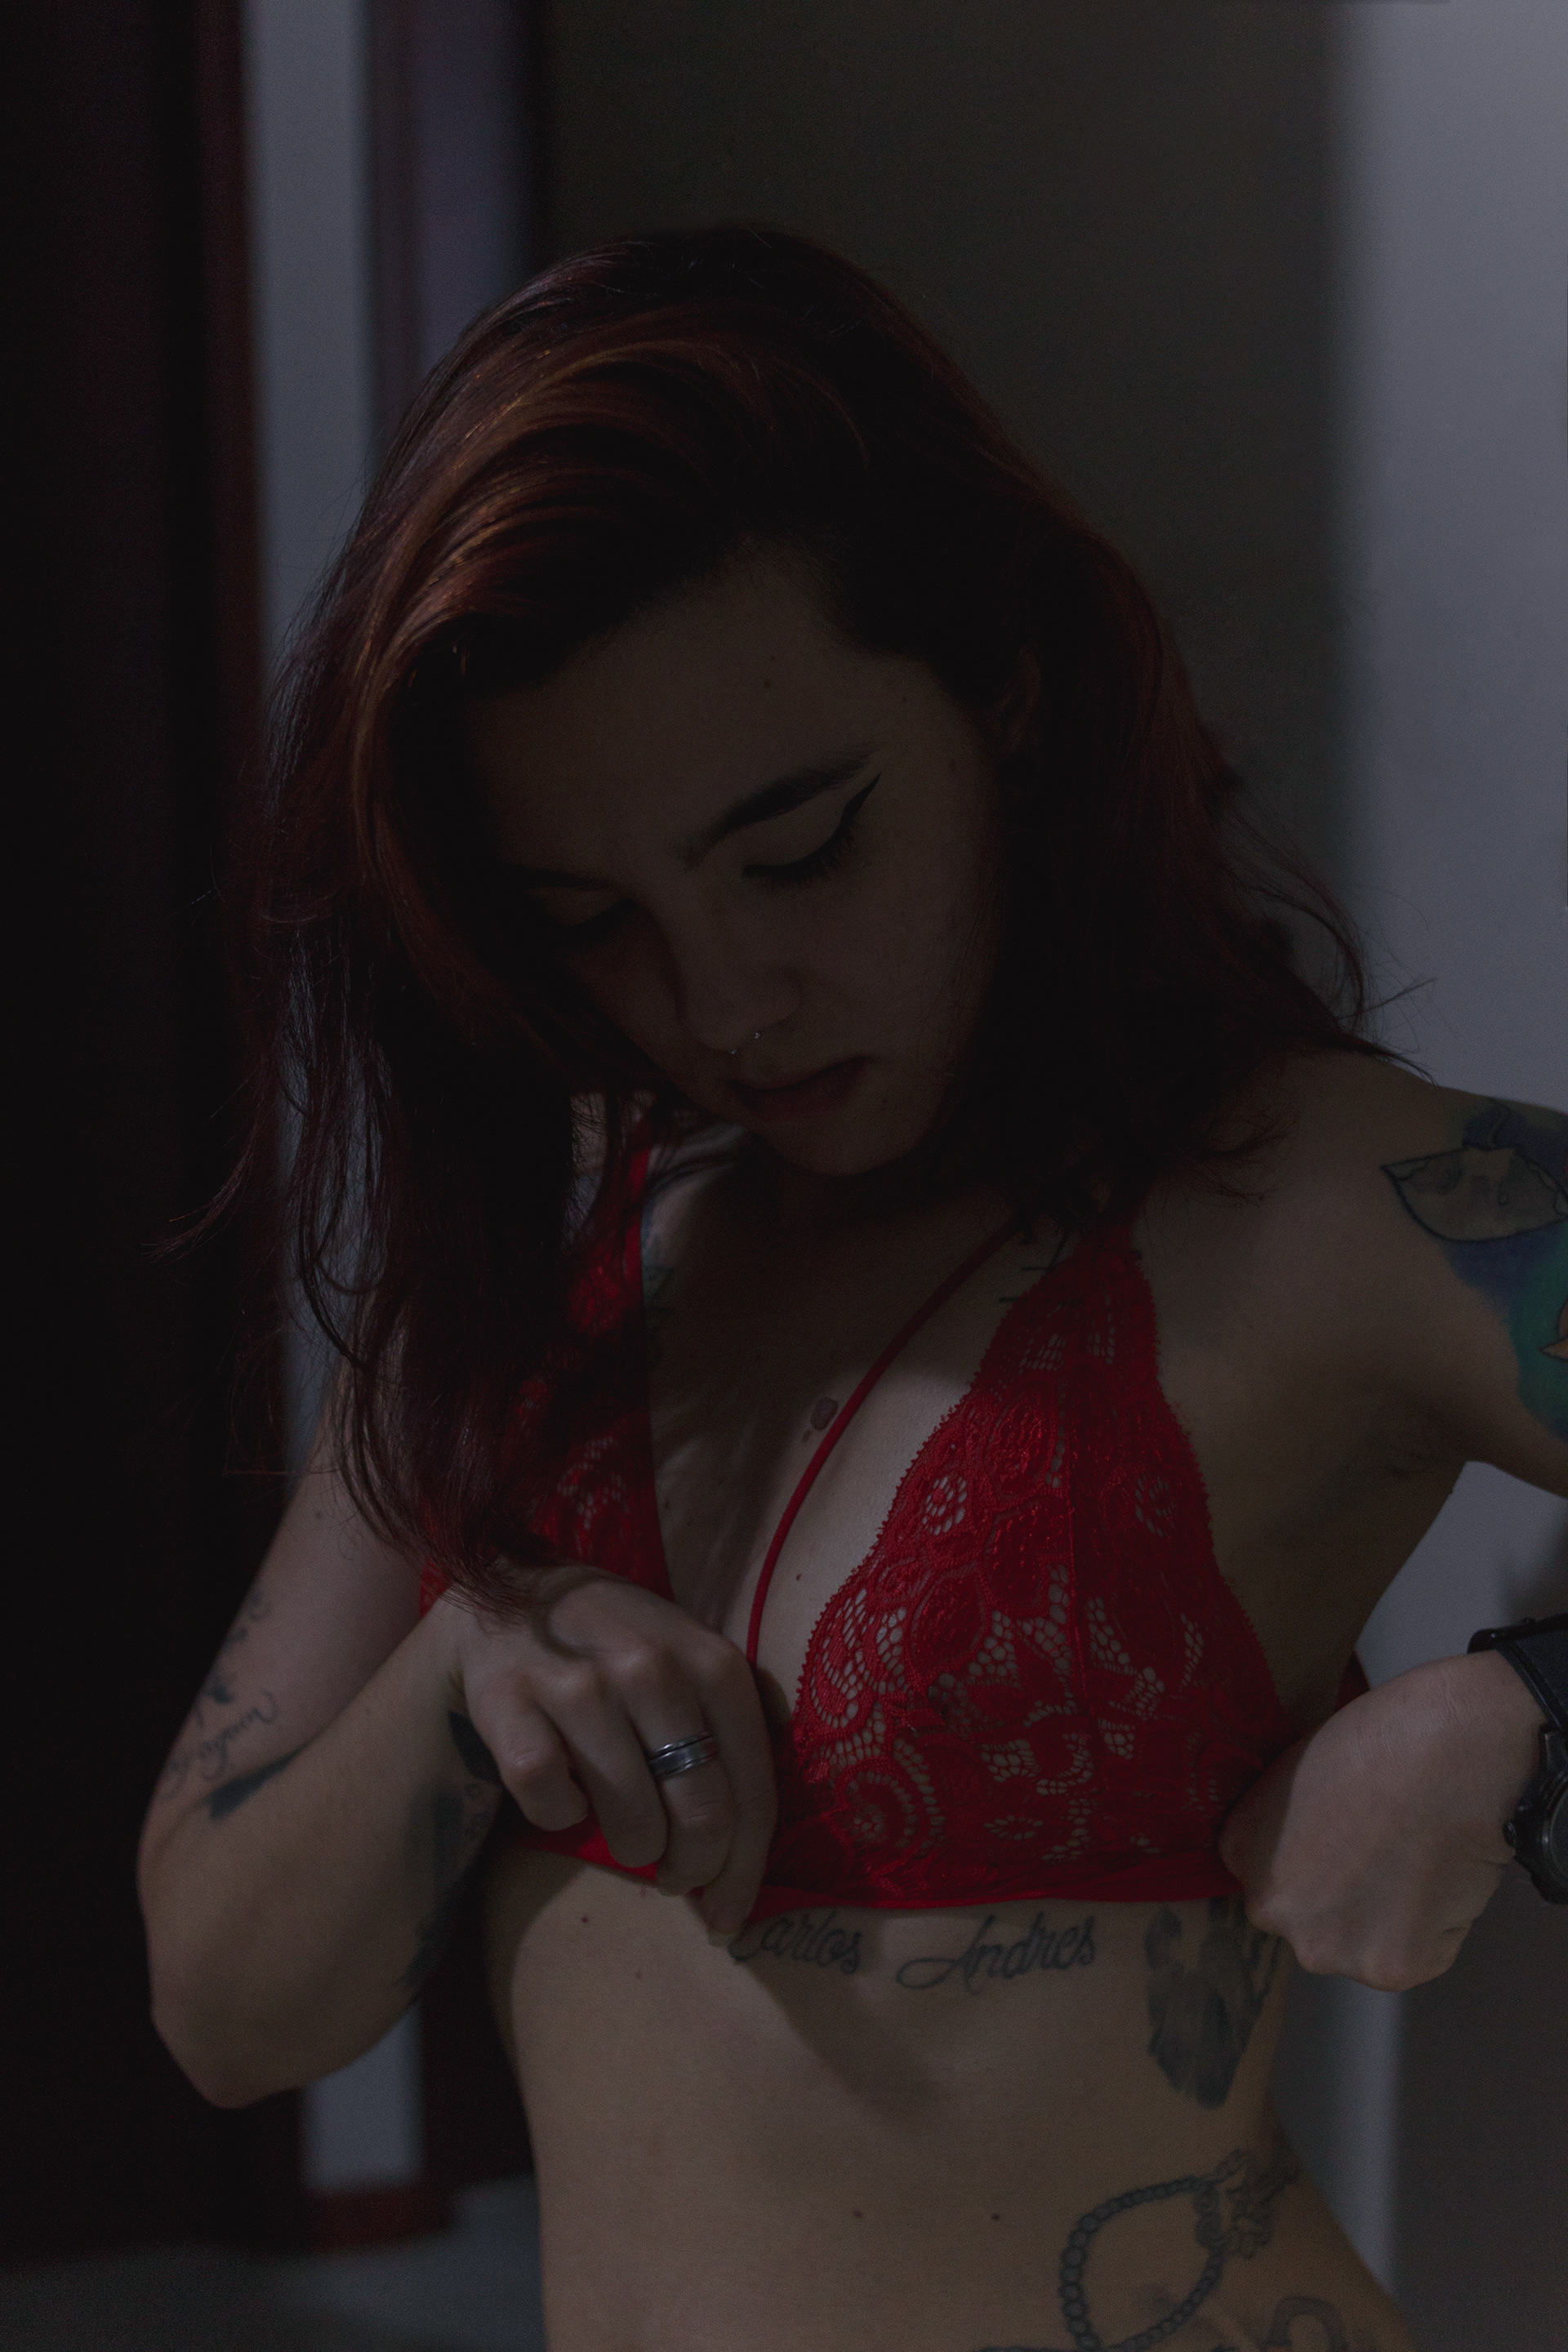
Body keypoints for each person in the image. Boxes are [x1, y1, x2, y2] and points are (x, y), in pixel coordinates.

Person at [139, 228, 1567, 2352]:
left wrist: (1523, 1720)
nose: (723, 998)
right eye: (593, 916)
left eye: (800, 850)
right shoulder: (542, 1245)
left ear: (1004, 687)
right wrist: (464, 1669)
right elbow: (228, 2010)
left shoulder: (1325, 1203)